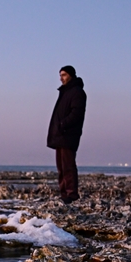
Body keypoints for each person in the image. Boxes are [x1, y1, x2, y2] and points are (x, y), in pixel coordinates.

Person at [47, 66, 87, 203]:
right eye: (60, 75)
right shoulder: (65, 92)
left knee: (68, 166)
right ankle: (64, 194)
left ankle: (71, 195)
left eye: (63, 75)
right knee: (61, 167)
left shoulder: (77, 92)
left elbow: (77, 113)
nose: (61, 78)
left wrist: (63, 124)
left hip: (68, 135)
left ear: (71, 75)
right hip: (61, 135)